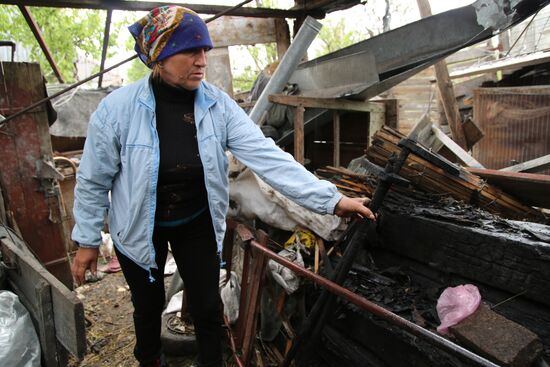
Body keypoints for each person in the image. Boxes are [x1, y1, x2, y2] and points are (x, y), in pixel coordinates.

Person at [70, 6, 375, 367]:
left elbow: (267, 157)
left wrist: (333, 200)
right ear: (160, 57)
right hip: (137, 228)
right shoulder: (117, 110)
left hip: (195, 222)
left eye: (205, 52)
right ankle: (151, 360)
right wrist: (87, 239)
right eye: (191, 52)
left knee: (207, 306)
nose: (202, 61)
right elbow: (92, 178)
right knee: (147, 306)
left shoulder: (218, 106)